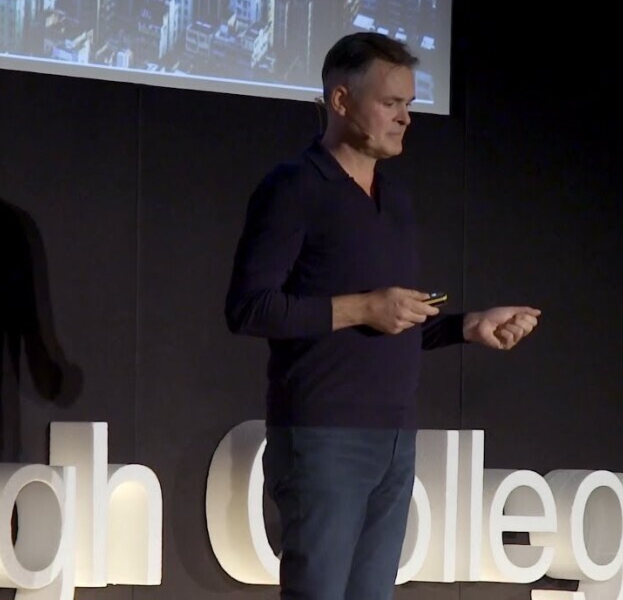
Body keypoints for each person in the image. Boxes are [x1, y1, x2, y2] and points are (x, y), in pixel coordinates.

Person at [224, 32, 541, 599]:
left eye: (409, 104)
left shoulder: (395, 200)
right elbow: (249, 308)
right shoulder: (294, 188)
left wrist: (467, 326)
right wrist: (364, 306)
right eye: (390, 103)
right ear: (341, 101)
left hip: (394, 438)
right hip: (323, 436)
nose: (405, 118)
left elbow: (394, 321)